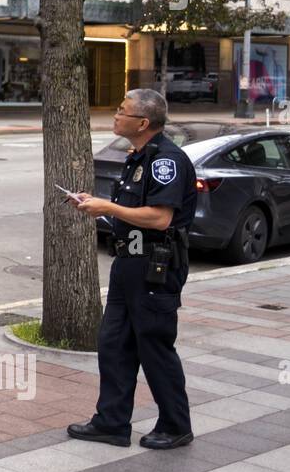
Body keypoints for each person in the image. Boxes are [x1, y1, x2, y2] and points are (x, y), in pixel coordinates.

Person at [66, 89, 196, 450]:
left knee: (154, 346)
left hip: (155, 266)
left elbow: (159, 217)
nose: (115, 115)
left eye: (122, 111)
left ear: (142, 122)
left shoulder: (164, 161)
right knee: (114, 345)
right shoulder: (138, 156)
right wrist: (95, 205)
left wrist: (107, 205)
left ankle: (175, 425)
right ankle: (111, 423)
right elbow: (131, 212)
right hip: (128, 265)